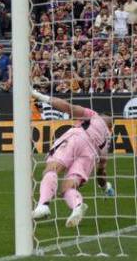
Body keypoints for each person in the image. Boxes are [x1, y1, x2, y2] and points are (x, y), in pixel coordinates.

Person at [31, 91, 115, 229]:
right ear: (111, 128)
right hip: (90, 156)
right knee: (67, 188)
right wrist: (105, 187)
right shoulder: (106, 143)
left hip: (76, 139)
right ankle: (77, 206)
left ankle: (43, 205)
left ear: (101, 116)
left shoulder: (93, 116)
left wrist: (39, 96)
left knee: (52, 168)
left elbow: (69, 107)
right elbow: (101, 171)